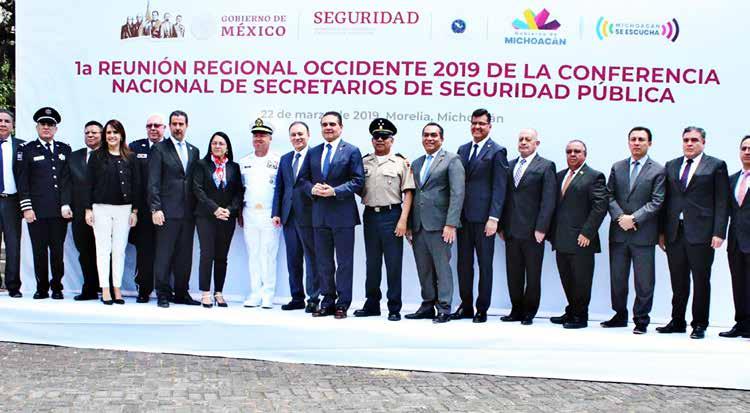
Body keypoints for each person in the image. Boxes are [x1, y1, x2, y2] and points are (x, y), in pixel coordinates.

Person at [657, 127, 729, 339]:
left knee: (701, 280)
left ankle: (699, 324)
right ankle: (677, 321)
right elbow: (665, 201)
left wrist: (719, 232)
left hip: (702, 232)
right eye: (686, 140)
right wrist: (661, 232)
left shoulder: (716, 165)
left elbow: (722, 201)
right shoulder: (672, 165)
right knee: (678, 280)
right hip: (674, 232)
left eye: (694, 140)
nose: (689, 143)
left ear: (703, 143)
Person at [299, 111, 364, 319]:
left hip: (343, 215)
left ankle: (342, 304)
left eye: (332, 124)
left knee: (344, 263)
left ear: (340, 127)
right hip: (319, 215)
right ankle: (327, 301)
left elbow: (358, 181)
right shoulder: (313, 152)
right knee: (324, 262)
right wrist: (312, 189)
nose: (328, 127)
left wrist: (335, 191)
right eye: (325, 124)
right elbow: (302, 180)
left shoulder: (352, 151)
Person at [602, 127, 665, 334]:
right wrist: (621, 217)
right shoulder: (617, 167)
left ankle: (641, 320)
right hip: (619, 232)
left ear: (650, 143)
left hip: (643, 234)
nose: (636, 143)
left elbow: (657, 201)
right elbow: (608, 195)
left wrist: (634, 218)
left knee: (644, 281)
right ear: (628, 142)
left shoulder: (658, 170)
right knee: (618, 279)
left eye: (641, 139)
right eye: (633, 139)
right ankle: (620, 315)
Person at [353, 118, 415, 322]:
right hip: (370, 215)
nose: (380, 140)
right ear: (372, 140)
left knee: (393, 263)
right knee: (372, 263)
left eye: (384, 136)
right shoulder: (364, 162)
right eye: (376, 136)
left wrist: (403, 220)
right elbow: (357, 186)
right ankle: (372, 304)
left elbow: (408, 192)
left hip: (392, 216)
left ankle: (394, 307)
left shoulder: (400, 162)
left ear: (391, 140)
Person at [405, 122, 465, 324]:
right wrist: (410, 225)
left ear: (441, 138)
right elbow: (413, 194)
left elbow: (458, 193)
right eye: (426, 135)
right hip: (419, 225)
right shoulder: (417, 162)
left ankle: (445, 307)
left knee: (442, 268)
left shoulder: (452, 160)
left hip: (440, 225)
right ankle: (427, 305)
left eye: (434, 135)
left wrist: (451, 224)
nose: (429, 138)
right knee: (424, 268)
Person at [454, 108, 508, 323]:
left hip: (485, 220)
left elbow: (499, 188)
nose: (477, 127)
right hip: (463, 218)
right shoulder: (463, 149)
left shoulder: (497, 151)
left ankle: (482, 308)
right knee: (463, 265)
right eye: (474, 123)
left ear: (489, 126)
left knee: (485, 265)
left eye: (482, 124)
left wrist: (494, 218)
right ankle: (466, 306)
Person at [499, 128, 556, 325]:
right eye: (521, 139)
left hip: (533, 232)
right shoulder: (509, 165)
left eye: (528, 139)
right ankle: (516, 310)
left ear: (536, 143)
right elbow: (503, 198)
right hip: (511, 230)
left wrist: (542, 228)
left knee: (532, 274)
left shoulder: (546, 166)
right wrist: (501, 227)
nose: (523, 142)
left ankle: (529, 312)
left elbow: (548, 200)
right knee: (513, 273)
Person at [549, 140, 607, 329]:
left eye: (577, 151)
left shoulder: (594, 176)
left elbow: (600, 207)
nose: (572, 154)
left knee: (581, 280)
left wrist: (587, 233)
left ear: (585, 154)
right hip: (561, 238)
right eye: (569, 151)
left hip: (582, 240)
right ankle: (572, 310)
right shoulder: (559, 176)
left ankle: (580, 317)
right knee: (567, 278)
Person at [18, 107, 72, 299]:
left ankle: (57, 287)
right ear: (37, 127)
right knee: (39, 251)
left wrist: (66, 203)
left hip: (59, 212)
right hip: (37, 211)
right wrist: (27, 208)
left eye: (50, 124)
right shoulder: (27, 149)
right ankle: (41, 288)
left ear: (56, 128)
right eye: (43, 124)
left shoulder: (64, 149)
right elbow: (22, 181)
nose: (46, 127)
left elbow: (66, 180)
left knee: (57, 252)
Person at [83, 120, 139, 305]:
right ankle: (105, 288)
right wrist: (88, 209)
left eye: (115, 132)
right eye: (108, 133)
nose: (112, 136)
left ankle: (117, 288)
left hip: (124, 209)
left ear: (121, 135)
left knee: (119, 251)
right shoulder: (96, 156)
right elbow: (88, 184)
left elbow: (137, 185)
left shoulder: (130, 157)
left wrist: (135, 211)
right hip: (101, 209)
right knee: (103, 250)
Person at [149, 110, 200, 308]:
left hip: (188, 213)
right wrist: (155, 208)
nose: (178, 127)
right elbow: (153, 181)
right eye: (174, 124)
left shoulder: (194, 150)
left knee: (184, 256)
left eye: (181, 124)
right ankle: (162, 293)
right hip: (166, 212)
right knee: (164, 255)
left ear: (187, 126)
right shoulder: (159, 149)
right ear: (169, 126)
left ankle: (181, 292)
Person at [272, 121, 320, 313]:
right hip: (289, 216)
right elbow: (280, 187)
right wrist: (276, 212)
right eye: (293, 135)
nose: (297, 137)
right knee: (293, 259)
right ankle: (297, 297)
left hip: (309, 216)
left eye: (300, 134)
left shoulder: (316, 156)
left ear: (308, 135)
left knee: (312, 259)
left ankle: (313, 298)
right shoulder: (285, 159)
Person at [193, 132, 242, 308]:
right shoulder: (201, 165)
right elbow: (198, 190)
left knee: (222, 256)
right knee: (207, 254)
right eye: (214, 143)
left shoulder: (234, 167)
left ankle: (219, 292)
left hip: (227, 217)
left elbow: (238, 192)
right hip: (206, 216)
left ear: (227, 147)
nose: (217, 146)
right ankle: (205, 293)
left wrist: (229, 210)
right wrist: (215, 209)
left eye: (221, 143)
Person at [239, 118, 282, 308]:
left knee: (268, 254)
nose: (258, 138)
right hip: (249, 213)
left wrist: (278, 213)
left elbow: (281, 190)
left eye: (263, 135)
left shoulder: (278, 161)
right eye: (255, 135)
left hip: (270, 214)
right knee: (253, 254)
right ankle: (255, 293)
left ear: (270, 138)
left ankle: (268, 294)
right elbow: (240, 189)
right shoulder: (244, 162)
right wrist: (239, 213)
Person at [129, 114, 166, 303]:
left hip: (165, 209)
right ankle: (144, 289)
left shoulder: (171, 147)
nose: (153, 128)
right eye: (149, 125)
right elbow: (130, 179)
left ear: (164, 128)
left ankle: (164, 290)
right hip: (143, 210)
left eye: (157, 125)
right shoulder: (136, 147)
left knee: (165, 252)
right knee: (144, 251)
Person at [65, 120, 103, 301]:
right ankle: (89, 288)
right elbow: (66, 182)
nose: (90, 135)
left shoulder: (110, 155)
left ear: (102, 135)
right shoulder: (74, 156)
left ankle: (107, 288)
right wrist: (66, 204)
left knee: (105, 252)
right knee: (85, 252)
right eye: (87, 132)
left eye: (94, 132)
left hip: (105, 211)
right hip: (80, 212)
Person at [723, 135, 750, 338]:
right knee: (738, 284)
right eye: (744, 148)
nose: (747, 152)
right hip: (735, 242)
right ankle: (741, 324)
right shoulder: (732, 179)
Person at [0, 109, 24, 298]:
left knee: (13, 244)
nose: (2, 124)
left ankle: (13, 286)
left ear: (13, 125)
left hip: (12, 201)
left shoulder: (21, 146)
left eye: (7, 121)